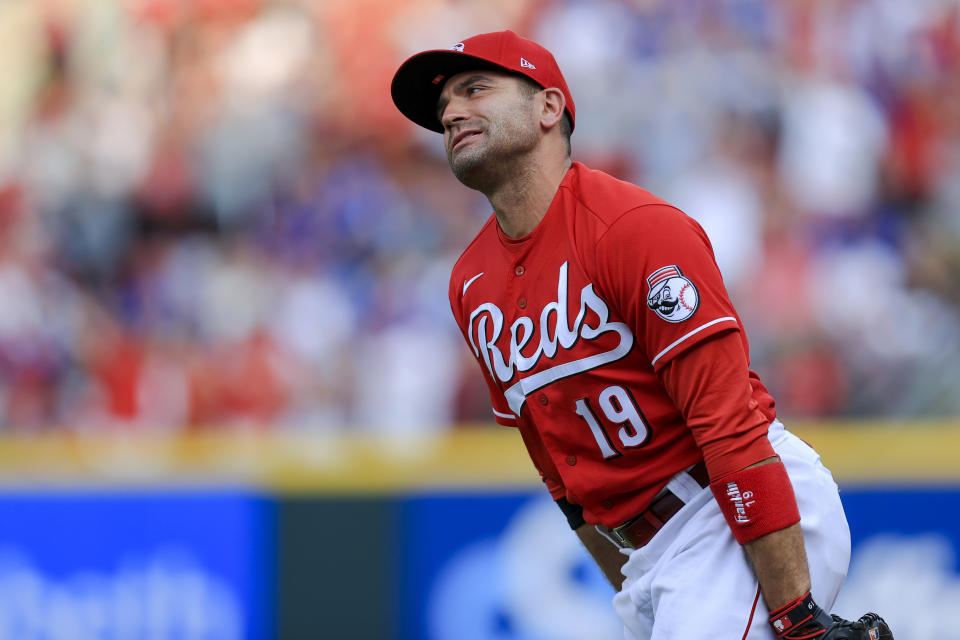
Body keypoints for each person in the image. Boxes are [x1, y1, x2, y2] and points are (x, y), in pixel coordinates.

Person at [390, 30, 893, 640]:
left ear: (549, 107)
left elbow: (728, 424)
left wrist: (796, 615)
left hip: (736, 511)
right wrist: (631, 577)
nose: (451, 113)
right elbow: (565, 482)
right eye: (442, 107)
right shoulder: (471, 283)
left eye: (475, 89)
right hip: (653, 553)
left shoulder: (633, 229)